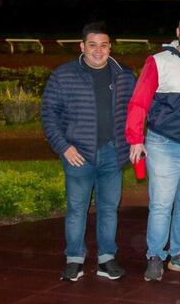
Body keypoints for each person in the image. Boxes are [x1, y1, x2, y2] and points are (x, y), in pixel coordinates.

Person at [41, 22, 135, 281]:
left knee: (108, 209)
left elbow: (136, 112)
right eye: (92, 45)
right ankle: (74, 258)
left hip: (112, 154)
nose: (98, 50)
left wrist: (133, 142)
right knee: (77, 209)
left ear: (110, 47)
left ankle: (107, 258)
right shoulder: (64, 75)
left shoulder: (124, 75)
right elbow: (49, 114)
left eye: (103, 45)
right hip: (78, 154)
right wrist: (64, 147)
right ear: (82, 46)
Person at [126, 14, 180, 282]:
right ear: (177, 31)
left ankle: (179, 253)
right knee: (162, 205)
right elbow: (139, 101)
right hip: (163, 144)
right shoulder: (158, 62)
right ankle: (154, 255)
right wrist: (135, 138)